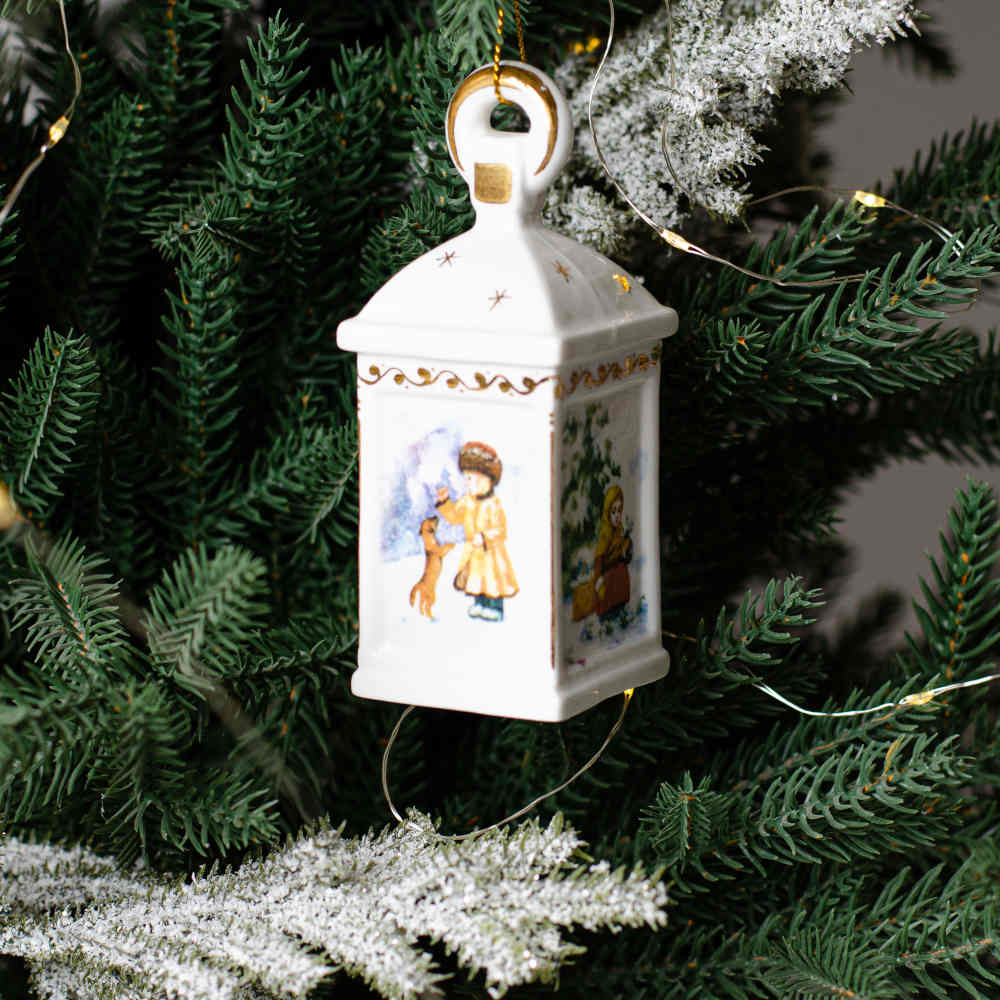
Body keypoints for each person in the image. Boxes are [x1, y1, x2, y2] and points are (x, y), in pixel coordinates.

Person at [436, 441, 518, 622]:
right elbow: (454, 516)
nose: (468, 483)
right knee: (477, 580)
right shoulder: (467, 501)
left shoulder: (493, 505)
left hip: (491, 554)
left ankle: (494, 606)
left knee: (492, 581)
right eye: (466, 478)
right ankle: (479, 603)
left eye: (471, 479)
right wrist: (444, 503)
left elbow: (500, 530)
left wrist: (485, 537)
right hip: (474, 553)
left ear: (486, 480)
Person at [593, 484, 631, 618]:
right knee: (614, 575)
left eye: (619, 511)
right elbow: (599, 559)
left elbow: (623, 551)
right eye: (613, 511)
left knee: (621, 569)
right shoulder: (605, 534)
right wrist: (599, 578)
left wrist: (626, 544)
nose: (617, 516)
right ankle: (608, 612)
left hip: (617, 571)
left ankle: (620, 606)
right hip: (606, 574)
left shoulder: (619, 531)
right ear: (607, 512)